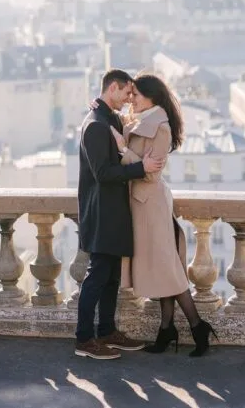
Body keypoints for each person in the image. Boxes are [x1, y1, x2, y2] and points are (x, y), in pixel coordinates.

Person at [110, 74, 218, 357]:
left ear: (152, 97)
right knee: (162, 269)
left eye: (136, 95)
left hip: (150, 204)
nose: (131, 99)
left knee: (168, 270)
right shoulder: (139, 121)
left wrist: (123, 148)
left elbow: (151, 174)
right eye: (130, 94)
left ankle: (197, 326)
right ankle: (167, 329)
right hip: (141, 205)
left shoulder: (160, 127)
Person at [75, 69, 165, 360]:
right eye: (126, 93)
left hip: (113, 211)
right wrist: (141, 169)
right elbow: (103, 173)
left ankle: (107, 331)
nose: (129, 100)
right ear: (112, 88)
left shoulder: (106, 118)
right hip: (102, 213)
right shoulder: (97, 126)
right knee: (97, 277)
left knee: (111, 276)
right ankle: (85, 340)